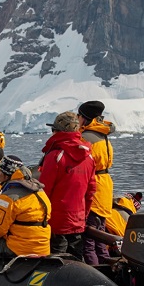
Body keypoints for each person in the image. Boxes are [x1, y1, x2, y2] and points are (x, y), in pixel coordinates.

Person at [38, 111, 96, 261]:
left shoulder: (55, 155)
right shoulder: (88, 157)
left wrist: (40, 218)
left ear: (58, 131)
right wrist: (83, 216)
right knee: (76, 261)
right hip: (77, 220)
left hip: (56, 221)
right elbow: (90, 191)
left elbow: (44, 191)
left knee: (57, 263)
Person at [0, 155, 51, 257]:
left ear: (6, 175)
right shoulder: (40, 192)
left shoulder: (9, 198)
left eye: (0, 172)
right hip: (42, 248)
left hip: (20, 250)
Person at [78, 100, 115, 265]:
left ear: (84, 118)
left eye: (79, 116)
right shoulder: (102, 135)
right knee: (100, 236)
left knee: (89, 239)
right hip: (105, 186)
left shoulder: (86, 138)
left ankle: (95, 275)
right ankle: (107, 266)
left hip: (94, 188)